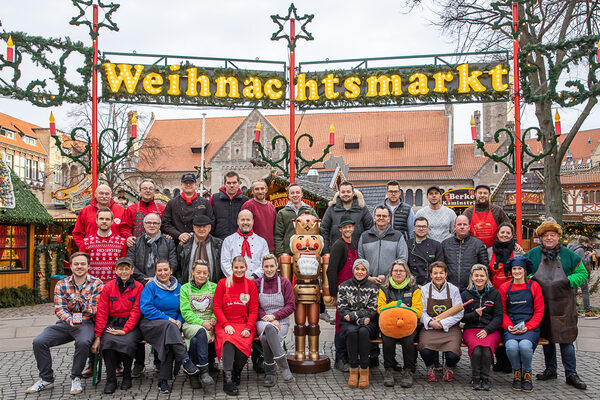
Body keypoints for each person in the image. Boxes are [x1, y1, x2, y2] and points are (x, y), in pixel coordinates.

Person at [26, 252, 103, 395]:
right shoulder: (62, 284)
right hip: (65, 323)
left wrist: (82, 306)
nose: (79, 267)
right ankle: (46, 379)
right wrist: (69, 319)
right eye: (76, 264)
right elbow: (59, 308)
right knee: (39, 341)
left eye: (82, 264)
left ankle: (76, 377)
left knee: (84, 342)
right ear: (71, 266)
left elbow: (96, 309)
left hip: (86, 323)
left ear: (88, 266)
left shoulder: (96, 283)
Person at [525, 221, 588, 390]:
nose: (549, 238)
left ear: (558, 237)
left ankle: (571, 373)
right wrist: (531, 278)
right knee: (548, 339)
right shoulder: (532, 255)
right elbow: (523, 270)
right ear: (541, 238)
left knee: (566, 340)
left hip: (564, 305)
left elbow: (582, 273)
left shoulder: (569, 255)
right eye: (545, 236)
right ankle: (550, 369)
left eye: (552, 235)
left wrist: (568, 281)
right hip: (542, 304)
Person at [139, 260, 199, 394]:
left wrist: (179, 320)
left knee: (169, 340)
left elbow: (184, 309)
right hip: (151, 324)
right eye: (159, 270)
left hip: (171, 327)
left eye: (165, 269)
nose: (163, 273)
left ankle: (163, 381)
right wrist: (168, 319)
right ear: (155, 272)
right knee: (170, 328)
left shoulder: (179, 287)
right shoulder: (150, 287)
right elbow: (146, 308)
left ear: (171, 270)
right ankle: (185, 360)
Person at [91, 258, 143, 394]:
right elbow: (102, 312)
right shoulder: (108, 287)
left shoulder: (138, 287)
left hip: (131, 325)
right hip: (113, 323)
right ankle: (111, 379)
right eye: (121, 269)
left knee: (127, 343)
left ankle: (127, 376)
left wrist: (125, 330)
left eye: (127, 268)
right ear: (116, 270)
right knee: (107, 343)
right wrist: (98, 335)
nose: (124, 271)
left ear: (132, 270)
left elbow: (136, 311)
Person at [213, 256, 259, 396]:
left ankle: (236, 371)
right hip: (225, 324)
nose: (239, 270)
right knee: (228, 341)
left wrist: (248, 327)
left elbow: (253, 310)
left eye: (241, 267)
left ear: (246, 268)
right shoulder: (223, 283)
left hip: (243, 324)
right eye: (236, 267)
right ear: (232, 268)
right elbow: (216, 307)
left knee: (242, 348)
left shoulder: (251, 286)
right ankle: (227, 380)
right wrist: (225, 324)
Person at [500, 256, 545, 392]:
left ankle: (527, 374)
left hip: (530, 326)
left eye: (520, 269)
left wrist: (528, 327)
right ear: (511, 270)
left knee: (525, 346)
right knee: (511, 346)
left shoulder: (534, 286)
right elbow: (501, 312)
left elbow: (539, 311)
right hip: (511, 325)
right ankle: (517, 374)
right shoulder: (504, 287)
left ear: (525, 271)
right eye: (514, 269)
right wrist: (508, 326)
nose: (517, 271)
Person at [377, 260, 423, 388]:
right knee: (387, 340)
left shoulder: (414, 287)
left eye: (401, 271)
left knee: (409, 341)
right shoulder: (384, 287)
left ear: (406, 273)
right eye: (395, 271)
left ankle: (409, 370)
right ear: (391, 273)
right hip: (390, 325)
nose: (398, 273)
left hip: (408, 325)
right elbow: (380, 308)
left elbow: (418, 310)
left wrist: (405, 311)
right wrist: (397, 305)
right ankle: (389, 369)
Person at [418, 261, 463, 382]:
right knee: (425, 349)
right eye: (435, 273)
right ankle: (430, 367)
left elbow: (459, 312)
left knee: (453, 354)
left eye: (441, 273)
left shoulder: (453, 289)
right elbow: (421, 311)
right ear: (430, 275)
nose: (438, 276)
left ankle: (448, 367)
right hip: (430, 327)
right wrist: (430, 322)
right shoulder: (424, 290)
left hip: (450, 328)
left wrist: (443, 323)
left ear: (446, 274)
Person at [488, 222, 523, 373]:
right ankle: (499, 359)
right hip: (495, 294)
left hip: (513, 294)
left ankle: (511, 360)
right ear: (497, 234)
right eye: (502, 232)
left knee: (511, 325)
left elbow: (523, 271)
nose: (505, 235)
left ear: (512, 235)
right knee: (497, 325)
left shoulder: (517, 251)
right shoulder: (489, 251)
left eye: (508, 233)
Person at [460, 264, 503, 391]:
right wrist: (474, 314)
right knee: (477, 349)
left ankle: (485, 378)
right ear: (472, 278)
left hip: (489, 329)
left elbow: (498, 316)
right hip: (471, 329)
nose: (479, 278)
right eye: (476, 275)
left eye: (482, 276)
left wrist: (487, 330)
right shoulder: (465, 294)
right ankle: (476, 378)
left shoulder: (494, 294)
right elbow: (461, 317)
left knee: (487, 350)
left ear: (486, 278)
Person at [337, 259, 379, 389]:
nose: (359, 272)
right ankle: (354, 369)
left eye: (363, 269)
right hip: (348, 322)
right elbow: (342, 310)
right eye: (357, 269)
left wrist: (356, 317)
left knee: (363, 331)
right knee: (352, 331)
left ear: (367, 272)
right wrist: (359, 319)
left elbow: (372, 310)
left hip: (369, 323)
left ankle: (364, 369)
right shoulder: (343, 286)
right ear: (353, 270)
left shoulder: (373, 288)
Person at [255, 254, 295, 387]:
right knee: (269, 328)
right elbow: (255, 307)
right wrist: (268, 319)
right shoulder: (257, 283)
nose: (269, 269)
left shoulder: (285, 282)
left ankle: (270, 373)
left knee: (267, 338)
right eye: (266, 266)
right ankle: (284, 368)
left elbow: (291, 306)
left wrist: (275, 316)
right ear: (262, 267)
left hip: (281, 321)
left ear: (277, 266)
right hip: (262, 321)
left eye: (272, 266)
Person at [326, 217, 358, 372]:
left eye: (350, 226)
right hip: (343, 292)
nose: (347, 229)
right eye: (344, 227)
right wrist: (334, 293)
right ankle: (339, 358)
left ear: (353, 228)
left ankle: (350, 356)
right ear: (340, 230)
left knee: (351, 324)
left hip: (355, 292)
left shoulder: (353, 244)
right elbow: (331, 270)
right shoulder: (339, 245)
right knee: (340, 325)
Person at [180, 260, 218, 389]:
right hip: (191, 324)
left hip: (211, 324)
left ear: (208, 274)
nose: (201, 275)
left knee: (196, 341)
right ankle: (204, 370)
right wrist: (202, 323)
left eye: (204, 273)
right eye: (198, 272)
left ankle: (194, 371)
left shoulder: (214, 287)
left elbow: (218, 306)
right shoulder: (185, 288)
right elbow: (185, 312)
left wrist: (213, 317)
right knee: (200, 331)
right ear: (192, 273)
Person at [358, 205, 408, 285]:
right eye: (378, 215)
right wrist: (368, 277)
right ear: (374, 217)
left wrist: (388, 276)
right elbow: (360, 259)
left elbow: (402, 259)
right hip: (368, 283)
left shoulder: (398, 236)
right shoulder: (364, 236)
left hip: (391, 283)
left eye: (384, 216)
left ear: (389, 219)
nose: (381, 218)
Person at [321, 181, 373, 254]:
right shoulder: (331, 209)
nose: (345, 194)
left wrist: (366, 251)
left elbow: (369, 230)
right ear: (339, 193)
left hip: (357, 252)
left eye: (348, 192)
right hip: (336, 252)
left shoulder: (362, 209)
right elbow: (324, 231)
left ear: (353, 193)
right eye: (343, 192)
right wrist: (326, 252)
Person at [162, 173, 214, 245]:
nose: (188, 185)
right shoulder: (172, 203)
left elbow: (211, 222)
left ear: (196, 185)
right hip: (177, 243)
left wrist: (194, 235)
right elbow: (165, 224)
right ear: (181, 185)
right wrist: (179, 235)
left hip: (199, 243)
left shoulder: (205, 203)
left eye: (191, 183)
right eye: (186, 183)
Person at [80, 207, 128, 283]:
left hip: (114, 286)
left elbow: (123, 266)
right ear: (96, 221)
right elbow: (82, 265)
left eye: (107, 219)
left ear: (112, 221)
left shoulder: (121, 242)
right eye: (101, 219)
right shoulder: (86, 242)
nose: (104, 221)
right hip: (92, 286)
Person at [441, 215, 489, 291]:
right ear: (454, 227)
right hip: (449, 289)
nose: (462, 227)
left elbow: (485, 268)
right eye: (459, 224)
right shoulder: (445, 244)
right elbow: (441, 267)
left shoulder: (478, 245)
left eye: (465, 224)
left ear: (469, 227)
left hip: (472, 290)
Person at [128, 213, 177, 285]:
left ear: (160, 225)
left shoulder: (169, 243)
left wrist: (157, 279)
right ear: (144, 224)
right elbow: (130, 264)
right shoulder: (135, 243)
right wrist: (144, 279)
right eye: (149, 223)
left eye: (155, 223)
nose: (152, 225)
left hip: (163, 283)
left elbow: (173, 263)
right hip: (139, 284)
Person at [72, 184, 125, 250]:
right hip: (91, 252)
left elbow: (125, 231)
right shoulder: (85, 211)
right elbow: (77, 233)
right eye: (101, 193)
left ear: (111, 195)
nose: (104, 196)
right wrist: (84, 248)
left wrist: (123, 248)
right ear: (95, 194)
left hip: (115, 252)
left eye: (107, 194)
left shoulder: (121, 211)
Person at [221, 209, 269, 279]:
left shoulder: (262, 242)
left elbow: (265, 263)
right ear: (238, 221)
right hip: (234, 281)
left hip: (256, 281)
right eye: (242, 220)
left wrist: (254, 277)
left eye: (248, 220)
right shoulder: (228, 240)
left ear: (253, 221)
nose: (245, 222)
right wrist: (237, 277)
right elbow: (225, 262)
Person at [177, 214, 224, 285]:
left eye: (204, 227)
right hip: (188, 288)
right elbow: (178, 267)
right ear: (193, 228)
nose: (201, 229)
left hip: (213, 287)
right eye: (198, 227)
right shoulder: (184, 244)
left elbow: (222, 267)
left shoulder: (218, 244)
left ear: (209, 228)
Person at [274, 183, 318, 257]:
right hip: (288, 252)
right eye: (292, 193)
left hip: (308, 251)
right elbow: (278, 235)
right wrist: (280, 254)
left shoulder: (311, 211)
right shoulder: (282, 213)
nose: (295, 195)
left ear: (301, 194)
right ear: (288, 196)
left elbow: (319, 230)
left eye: (297, 192)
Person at [462, 184, 510, 248]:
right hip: (473, 251)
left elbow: (508, 227)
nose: (482, 195)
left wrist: (515, 243)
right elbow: (462, 231)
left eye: (485, 193)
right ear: (475, 194)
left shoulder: (497, 210)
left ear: (489, 195)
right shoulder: (468, 212)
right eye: (480, 193)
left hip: (495, 250)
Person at [121, 179, 166, 248]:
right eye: (145, 188)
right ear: (140, 191)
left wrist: (167, 234)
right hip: (137, 246)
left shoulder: (162, 209)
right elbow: (125, 227)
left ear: (154, 192)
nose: (148, 191)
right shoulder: (131, 209)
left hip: (158, 246)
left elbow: (166, 226)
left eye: (151, 189)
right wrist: (128, 237)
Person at [210, 171, 249, 240]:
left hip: (239, 240)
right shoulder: (214, 199)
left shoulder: (245, 200)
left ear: (239, 183)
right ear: (224, 184)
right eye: (229, 183)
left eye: (234, 183)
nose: (231, 185)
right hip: (218, 240)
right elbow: (209, 219)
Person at [241, 180, 277, 252]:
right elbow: (243, 228)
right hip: (254, 248)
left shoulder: (271, 206)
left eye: (262, 188)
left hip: (270, 248)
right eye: (257, 189)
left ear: (266, 190)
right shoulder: (248, 206)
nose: (260, 191)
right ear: (252, 191)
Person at [567, 236, 598, 318]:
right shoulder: (580, 249)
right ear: (584, 242)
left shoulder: (571, 247)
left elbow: (576, 258)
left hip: (572, 273)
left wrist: (585, 254)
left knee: (573, 292)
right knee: (585, 291)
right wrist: (590, 255)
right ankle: (588, 311)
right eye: (587, 243)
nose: (587, 246)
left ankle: (573, 311)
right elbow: (583, 262)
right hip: (579, 273)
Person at [407, 216, 444, 285]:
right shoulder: (407, 245)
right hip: (411, 284)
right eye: (418, 226)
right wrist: (414, 285)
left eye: (424, 227)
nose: (421, 229)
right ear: (414, 228)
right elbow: (405, 268)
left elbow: (439, 267)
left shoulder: (436, 245)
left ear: (428, 229)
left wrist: (427, 285)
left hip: (431, 284)